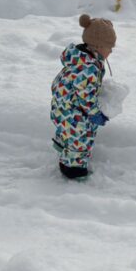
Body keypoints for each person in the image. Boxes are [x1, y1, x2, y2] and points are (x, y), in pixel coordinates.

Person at [51, 14, 116, 179]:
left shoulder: (80, 60)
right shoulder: (88, 67)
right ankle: (73, 171)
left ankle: (63, 148)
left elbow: (82, 87)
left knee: (68, 134)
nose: (111, 51)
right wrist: (95, 114)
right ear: (98, 46)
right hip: (73, 113)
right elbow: (86, 97)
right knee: (79, 141)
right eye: (109, 47)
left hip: (63, 107)